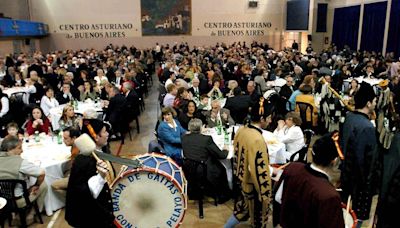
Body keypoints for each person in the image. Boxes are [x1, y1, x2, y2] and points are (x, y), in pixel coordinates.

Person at [274, 132, 344, 228]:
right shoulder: (329, 195)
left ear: (311, 153)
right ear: (334, 161)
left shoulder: (291, 168)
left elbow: (278, 199)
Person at [224, 96, 272, 227]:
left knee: (241, 211)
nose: (270, 120)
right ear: (262, 119)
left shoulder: (242, 130)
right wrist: (265, 194)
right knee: (258, 221)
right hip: (253, 186)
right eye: (269, 118)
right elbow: (257, 169)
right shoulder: (257, 139)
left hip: (240, 180)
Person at [340, 82, 380, 226]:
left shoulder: (349, 117)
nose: (375, 104)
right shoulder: (367, 127)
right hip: (359, 186)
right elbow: (365, 162)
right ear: (368, 103)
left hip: (346, 177)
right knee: (355, 219)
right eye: (374, 101)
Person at [65, 119, 114, 227]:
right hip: (91, 219)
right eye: (104, 132)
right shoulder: (83, 162)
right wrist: (100, 177)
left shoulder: (101, 152)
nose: (107, 134)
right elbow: (87, 194)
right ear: (96, 137)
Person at [181, 118, 230, 202]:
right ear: (201, 128)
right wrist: (226, 149)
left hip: (189, 170)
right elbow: (222, 155)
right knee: (221, 168)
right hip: (203, 170)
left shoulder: (184, 138)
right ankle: (223, 195)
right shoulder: (206, 139)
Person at [0, 136, 47, 213]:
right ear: (9, 149)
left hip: (2, 200)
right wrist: (36, 185)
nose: (22, 151)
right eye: (19, 148)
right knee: (44, 185)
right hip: (17, 201)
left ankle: (12, 215)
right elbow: (42, 173)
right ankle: (32, 214)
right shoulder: (20, 162)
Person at [51, 127, 81, 194]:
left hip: (78, 177)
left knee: (54, 185)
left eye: (66, 138)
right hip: (74, 172)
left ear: (74, 138)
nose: (63, 141)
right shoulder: (75, 146)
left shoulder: (77, 150)